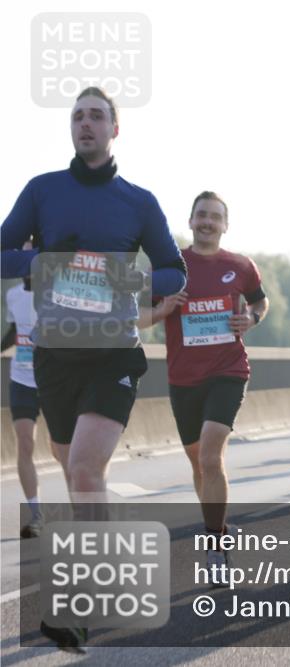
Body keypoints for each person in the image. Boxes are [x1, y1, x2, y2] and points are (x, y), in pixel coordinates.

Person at [0, 86, 186, 652]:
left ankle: (79, 606)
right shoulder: (42, 191)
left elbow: (173, 273)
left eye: (97, 116)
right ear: (71, 128)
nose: (86, 124)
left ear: (114, 129)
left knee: (82, 468)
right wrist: (43, 261)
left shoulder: (138, 201)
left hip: (113, 354)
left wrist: (125, 280)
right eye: (78, 115)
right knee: (72, 465)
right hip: (54, 357)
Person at [145, 191, 267, 587]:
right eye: (202, 215)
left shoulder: (240, 266)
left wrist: (251, 317)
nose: (208, 222)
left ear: (225, 225)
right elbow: (137, 316)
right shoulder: (169, 268)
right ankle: (215, 523)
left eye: (215, 217)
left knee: (212, 456)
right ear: (191, 220)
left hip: (228, 370)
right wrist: (162, 310)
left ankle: (216, 545)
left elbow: (260, 303)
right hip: (183, 379)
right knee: (199, 464)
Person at [2, 269, 69, 537]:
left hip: (52, 380)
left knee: (61, 449)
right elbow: (14, 331)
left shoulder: (56, 295)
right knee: (25, 441)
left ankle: (80, 508)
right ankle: (37, 515)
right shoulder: (13, 295)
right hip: (21, 378)